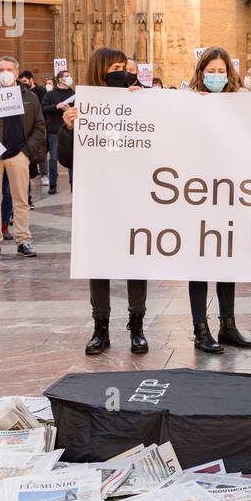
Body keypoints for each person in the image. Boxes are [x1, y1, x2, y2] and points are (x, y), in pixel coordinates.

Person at [58, 47, 150, 354]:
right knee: (98, 262)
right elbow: (67, 160)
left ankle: (137, 326)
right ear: (100, 70)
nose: (121, 72)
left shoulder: (139, 99)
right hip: (97, 197)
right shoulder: (82, 106)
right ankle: (101, 329)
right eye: (114, 67)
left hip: (133, 194)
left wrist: (147, 104)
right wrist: (70, 128)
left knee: (136, 260)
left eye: (124, 67)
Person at [180, 48, 251, 353]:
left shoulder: (239, 103)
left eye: (221, 71)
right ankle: (200, 330)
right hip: (197, 194)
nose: (216, 76)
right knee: (199, 264)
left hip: (229, 194)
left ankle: (228, 326)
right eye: (210, 71)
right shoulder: (187, 103)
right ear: (200, 73)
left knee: (227, 261)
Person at [0, 56, 45, 259]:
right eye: (1, 69)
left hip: (18, 155)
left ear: (16, 73)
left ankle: (23, 240)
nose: (5, 72)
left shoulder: (29, 97)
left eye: (9, 69)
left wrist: (26, 151)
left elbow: (39, 127)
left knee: (20, 200)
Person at [41, 68, 75, 194]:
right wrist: (57, 106)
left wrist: (70, 108)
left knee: (72, 159)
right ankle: (53, 184)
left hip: (71, 131)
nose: (69, 77)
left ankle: (73, 183)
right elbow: (43, 108)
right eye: (67, 75)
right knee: (54, 159)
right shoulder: (50, 94)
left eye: (70, 75)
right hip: (55, 131)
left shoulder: (74, 93)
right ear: (60, 79)